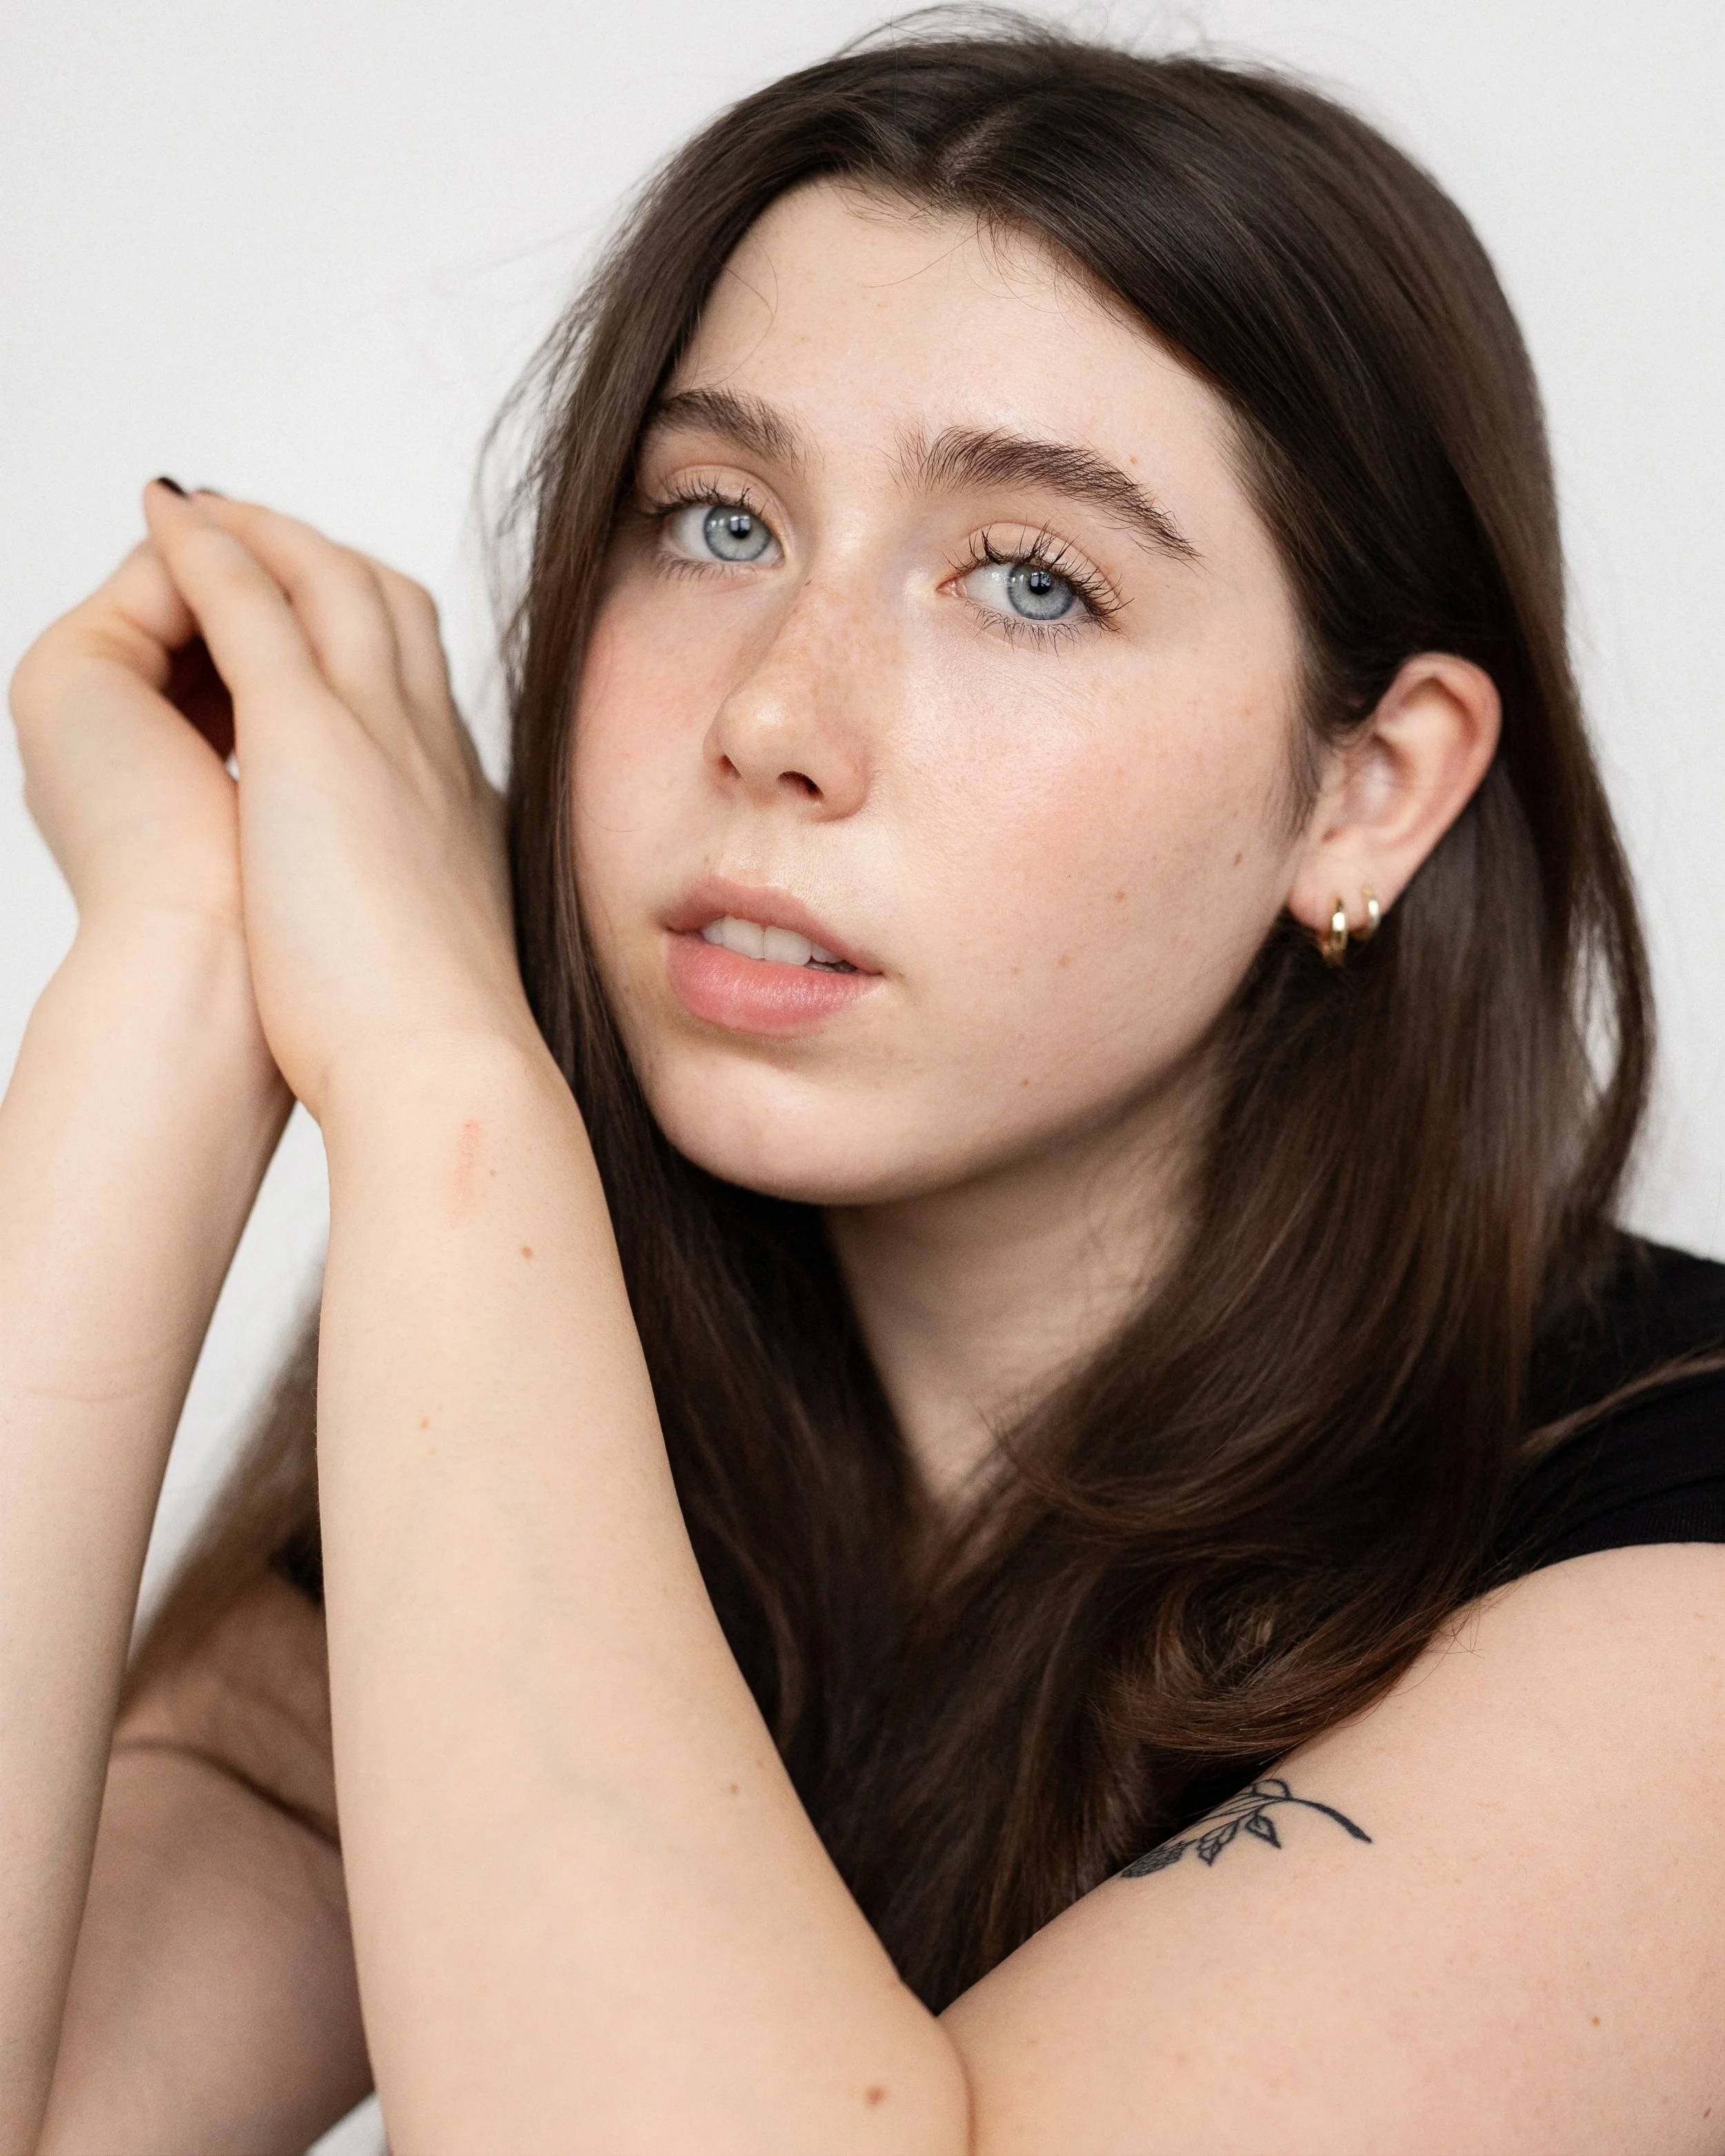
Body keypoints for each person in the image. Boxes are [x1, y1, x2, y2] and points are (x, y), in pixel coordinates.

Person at [6, 17, 1725, 2152]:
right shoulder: (578, 1448)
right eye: (716, 520)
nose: (779, 720)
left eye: (1028, 579)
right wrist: (170, 988)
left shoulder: (1669, 1566)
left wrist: (444, 1064)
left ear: (1364, 794)